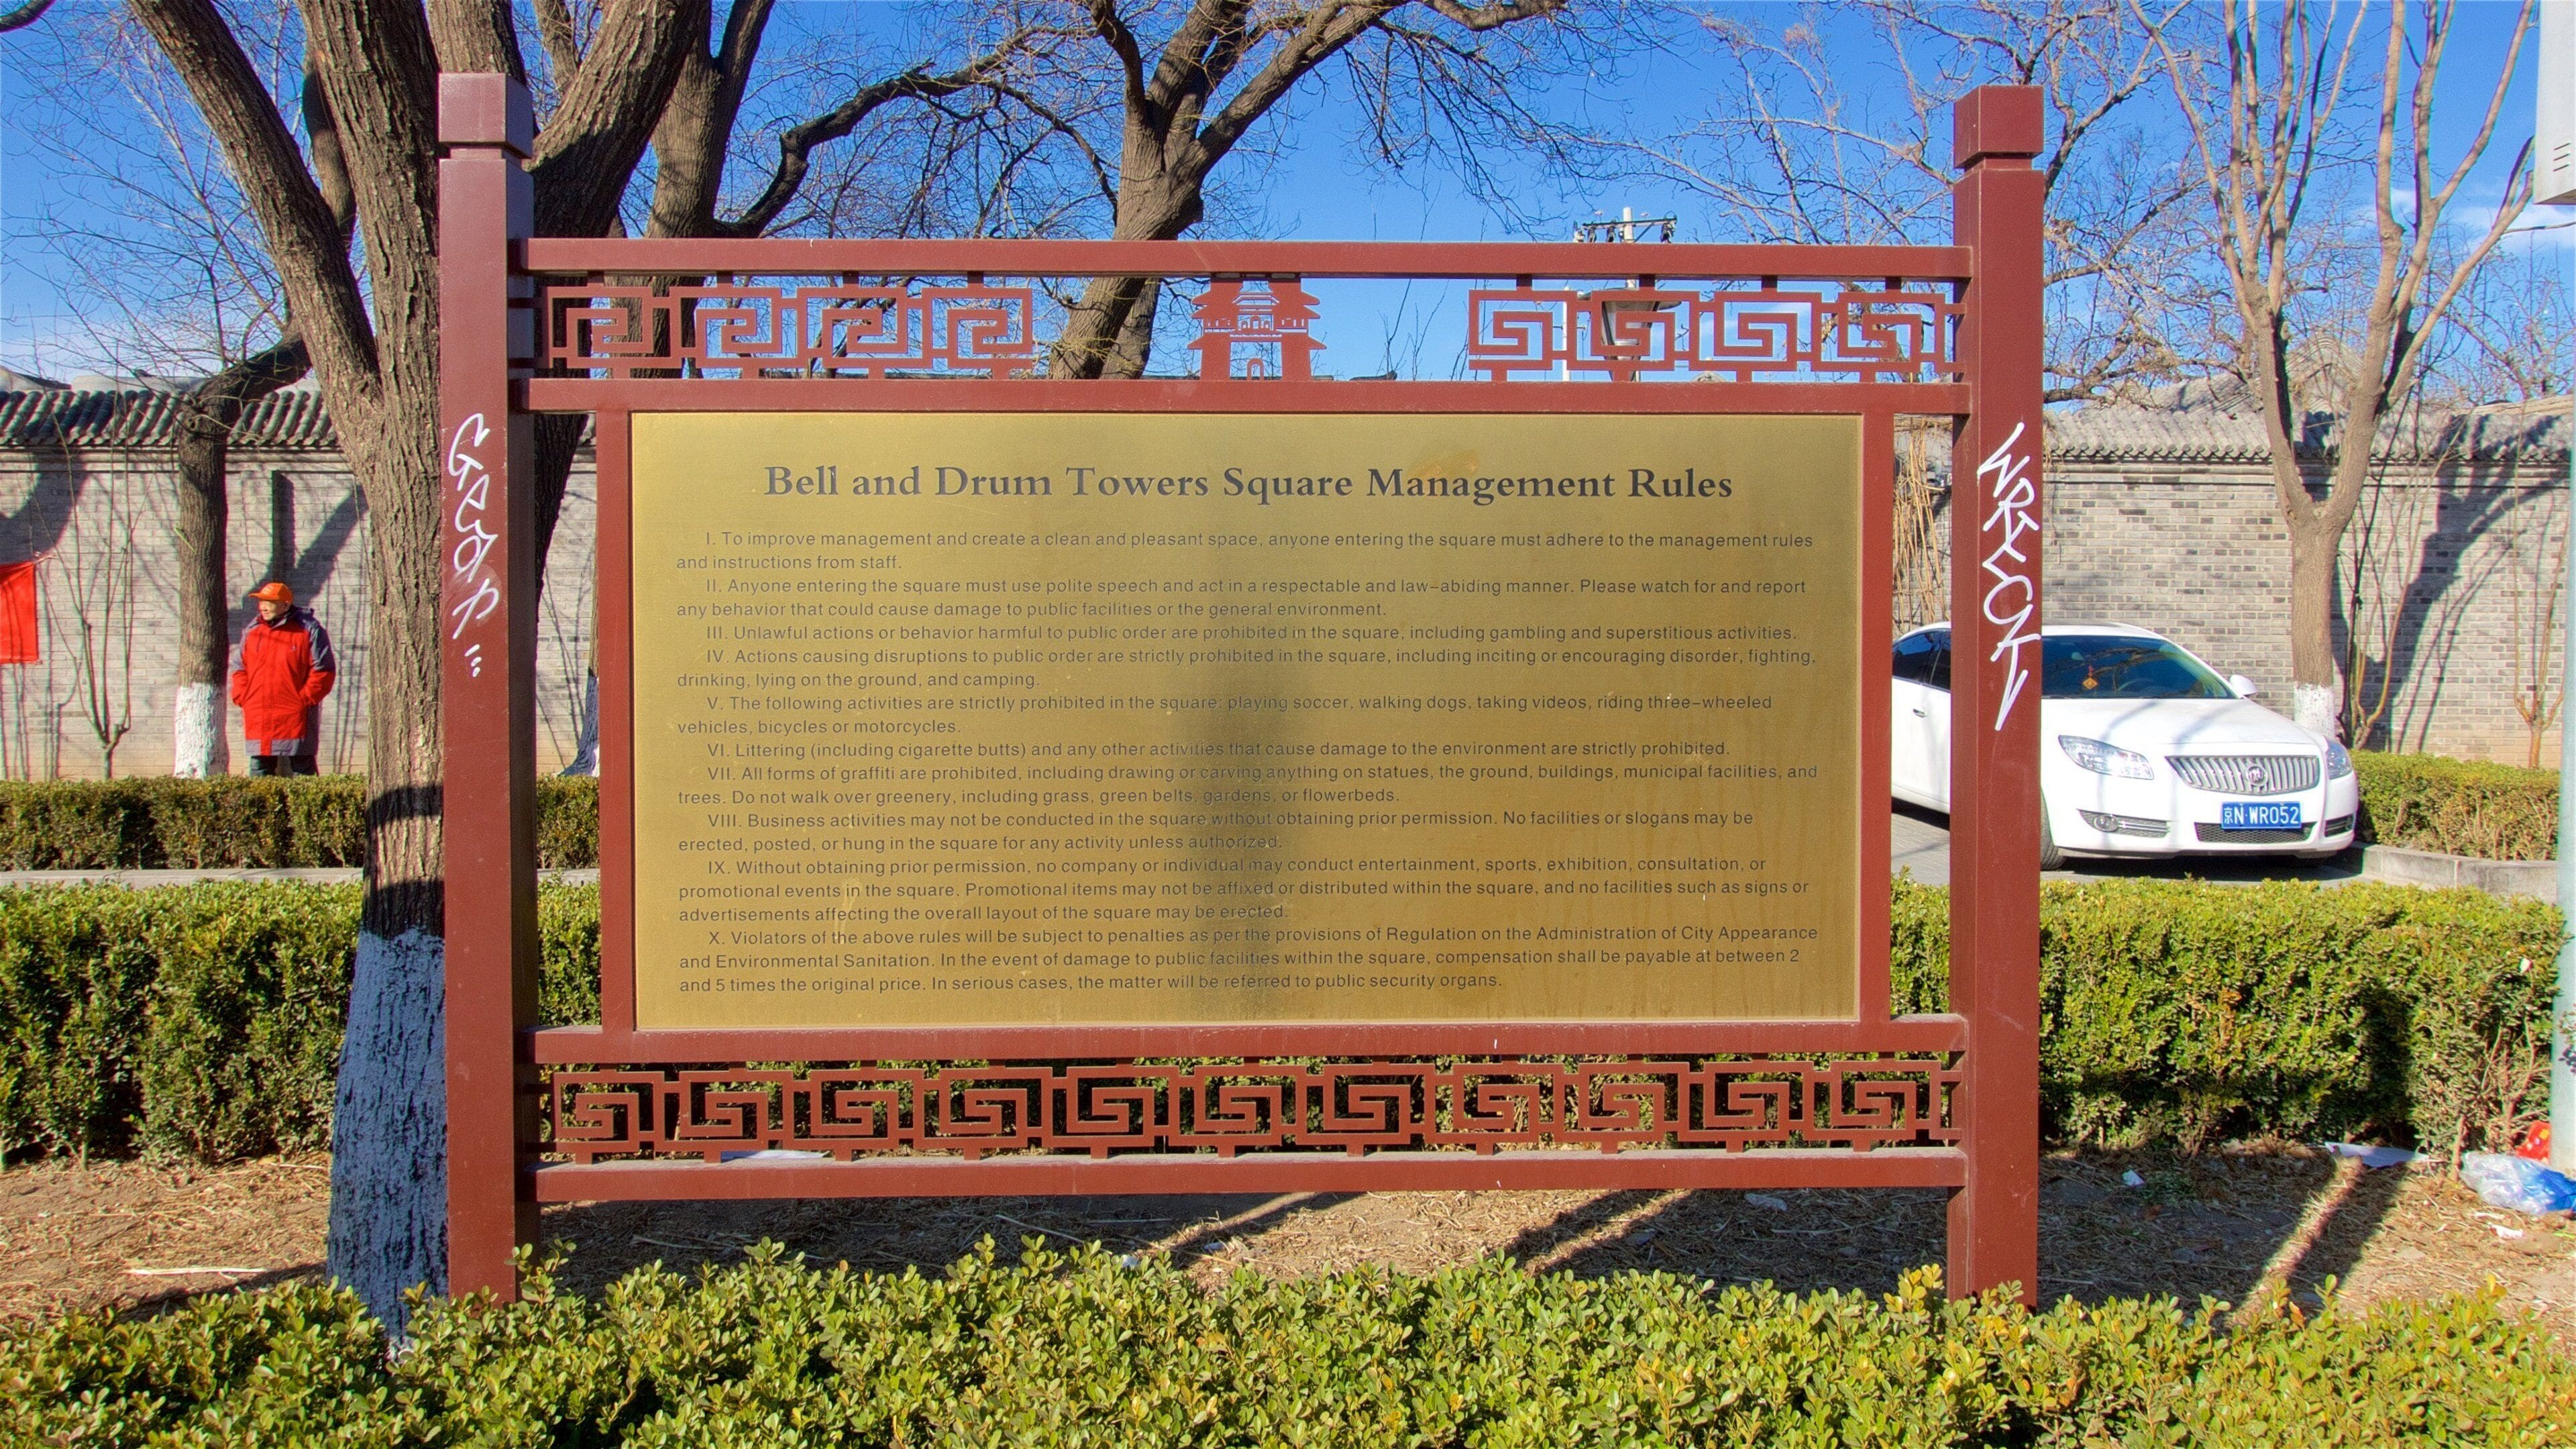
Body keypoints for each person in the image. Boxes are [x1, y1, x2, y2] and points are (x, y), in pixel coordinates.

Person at [231, 580, 337, 776]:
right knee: (260, 771)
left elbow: (324, 671)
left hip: (295, 714)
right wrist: (242, 695)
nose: (263, 606)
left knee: (302, 770)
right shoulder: (253, 632)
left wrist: (303, 699)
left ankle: (304, 809)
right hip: (259, 713)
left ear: (285, 605)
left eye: (270, 602)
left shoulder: (309, 630)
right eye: (261, 601)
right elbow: (240, 668)